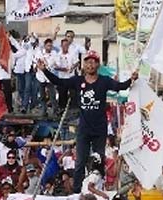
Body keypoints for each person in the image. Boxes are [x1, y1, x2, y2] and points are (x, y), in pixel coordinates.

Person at [39, 51, 137, 192]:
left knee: (98, 161)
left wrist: (131, 79)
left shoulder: (104, 81)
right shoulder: (77, 80)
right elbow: (59, 82)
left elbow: (120, 87)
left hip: (99, 128)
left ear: (97, 64)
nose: (90, 65)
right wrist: (44, 71)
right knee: (80, 163)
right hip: (84, 129)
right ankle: (77, 192)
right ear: (84, 65)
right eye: (87, 62)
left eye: (93, 62)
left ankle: (98, 188)